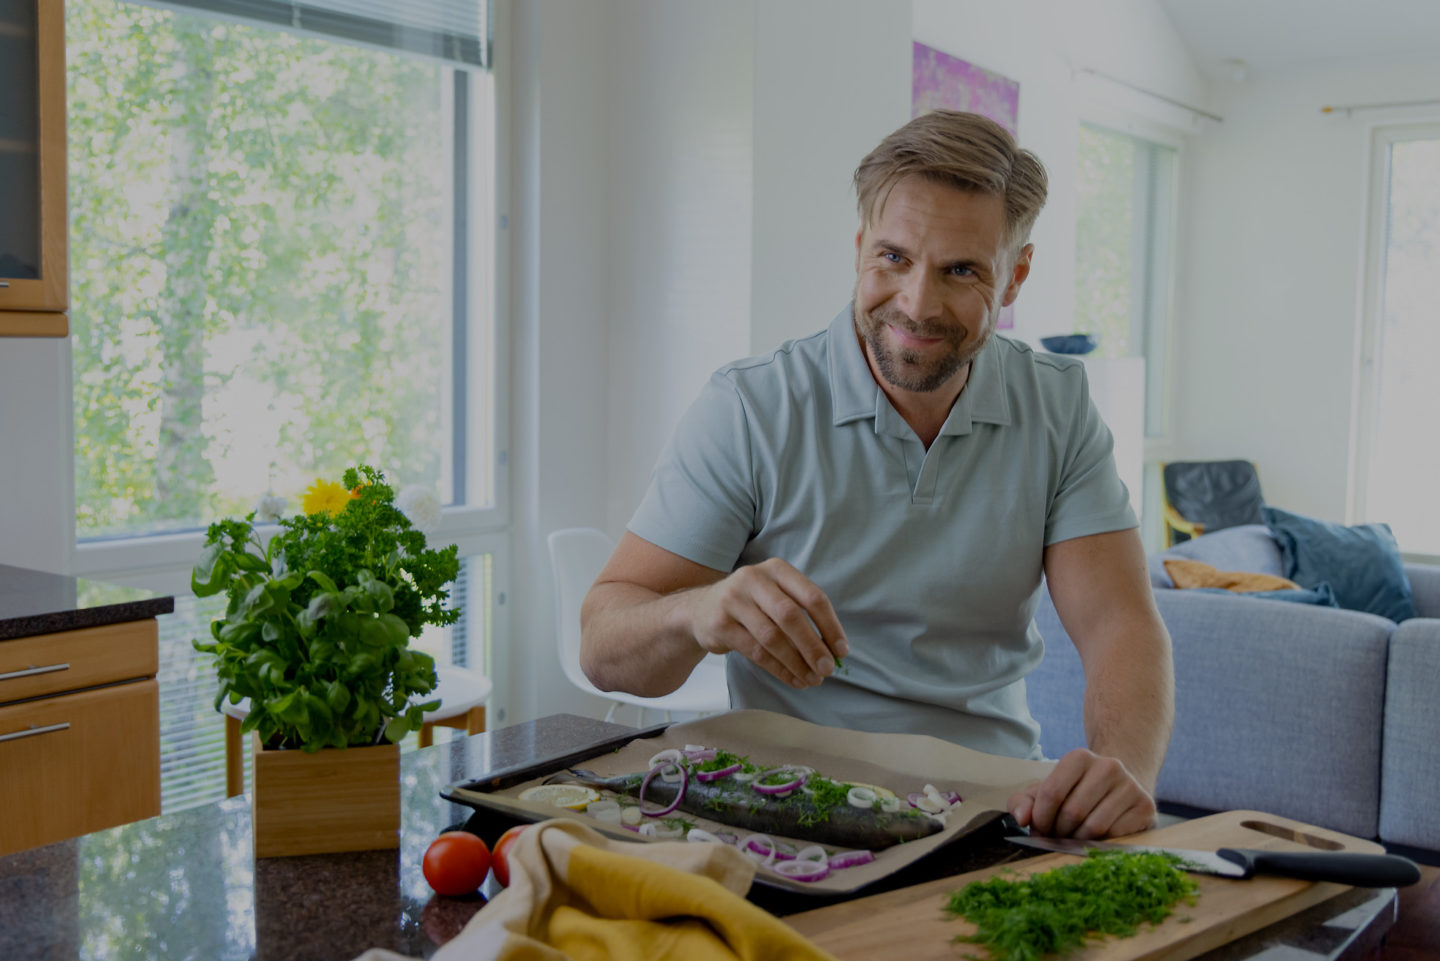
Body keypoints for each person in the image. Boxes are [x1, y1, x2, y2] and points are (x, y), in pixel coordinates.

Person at [579, 109, 1174, 840]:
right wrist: (696, 611)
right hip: (790, 808)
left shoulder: (1057, 405)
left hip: (994, 807)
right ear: (861, 246)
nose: (917, 304)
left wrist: (1123, 770)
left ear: (1016, 275)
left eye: (961, 270)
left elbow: (1120, 624)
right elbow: (603, 648)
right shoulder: (752, 407)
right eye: (893, 258)